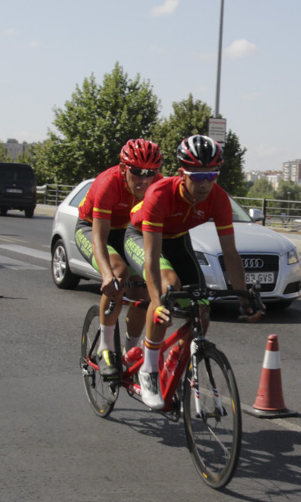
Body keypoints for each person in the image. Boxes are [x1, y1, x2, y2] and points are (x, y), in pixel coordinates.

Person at [125, 135, 263, 409]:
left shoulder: (219, 198)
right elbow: (152, 259)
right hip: (142, 236)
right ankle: (149, 370)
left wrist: (245, 299)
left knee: (201, 308)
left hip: (177, 240)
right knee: (168, 288)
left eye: (211, 175)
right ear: (181, 174)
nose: (205, 184)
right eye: (197, 177)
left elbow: (231, 254)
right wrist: (156, 303)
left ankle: (175, 358)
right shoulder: (159, 195)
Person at [75, 139, 163, 380]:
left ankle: (130, 351)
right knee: (118, 274)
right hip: (92, 228)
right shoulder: (108, 183)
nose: (144, 179)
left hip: (127, 232)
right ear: (124, 169)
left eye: (151, 173)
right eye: (137, 172)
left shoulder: (158, 186)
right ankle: (105, 348)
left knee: (145, 289)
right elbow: (99, 238)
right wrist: (106, 275)